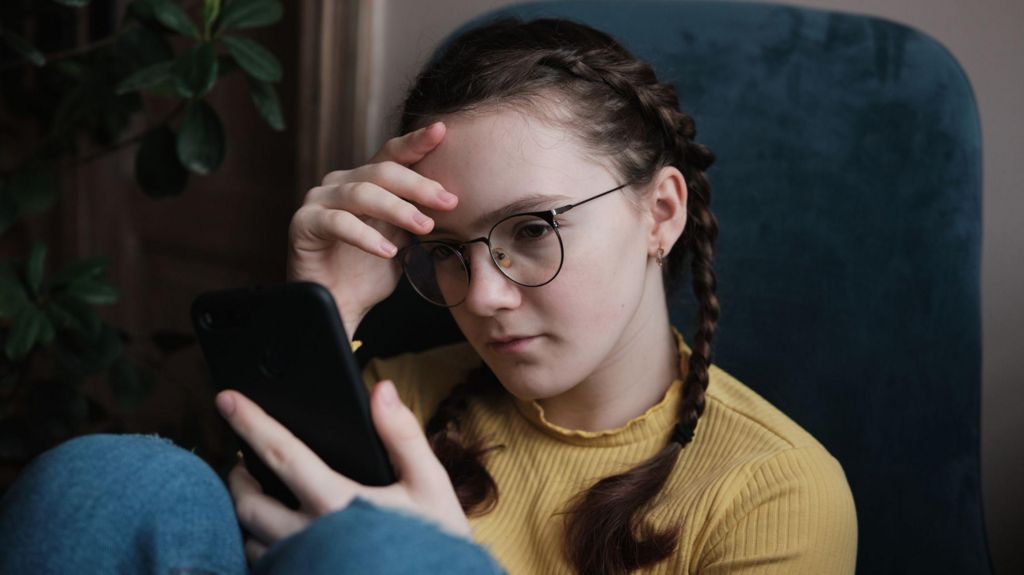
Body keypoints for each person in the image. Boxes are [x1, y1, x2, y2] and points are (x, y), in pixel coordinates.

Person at [0, 16, 857, 575]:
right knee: (112, 481)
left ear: (659, 212)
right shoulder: (394, 397)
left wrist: (435, 561)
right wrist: (324, 309)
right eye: (447, 251)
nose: (480, 295)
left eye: (531, 229)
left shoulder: (772, 489)